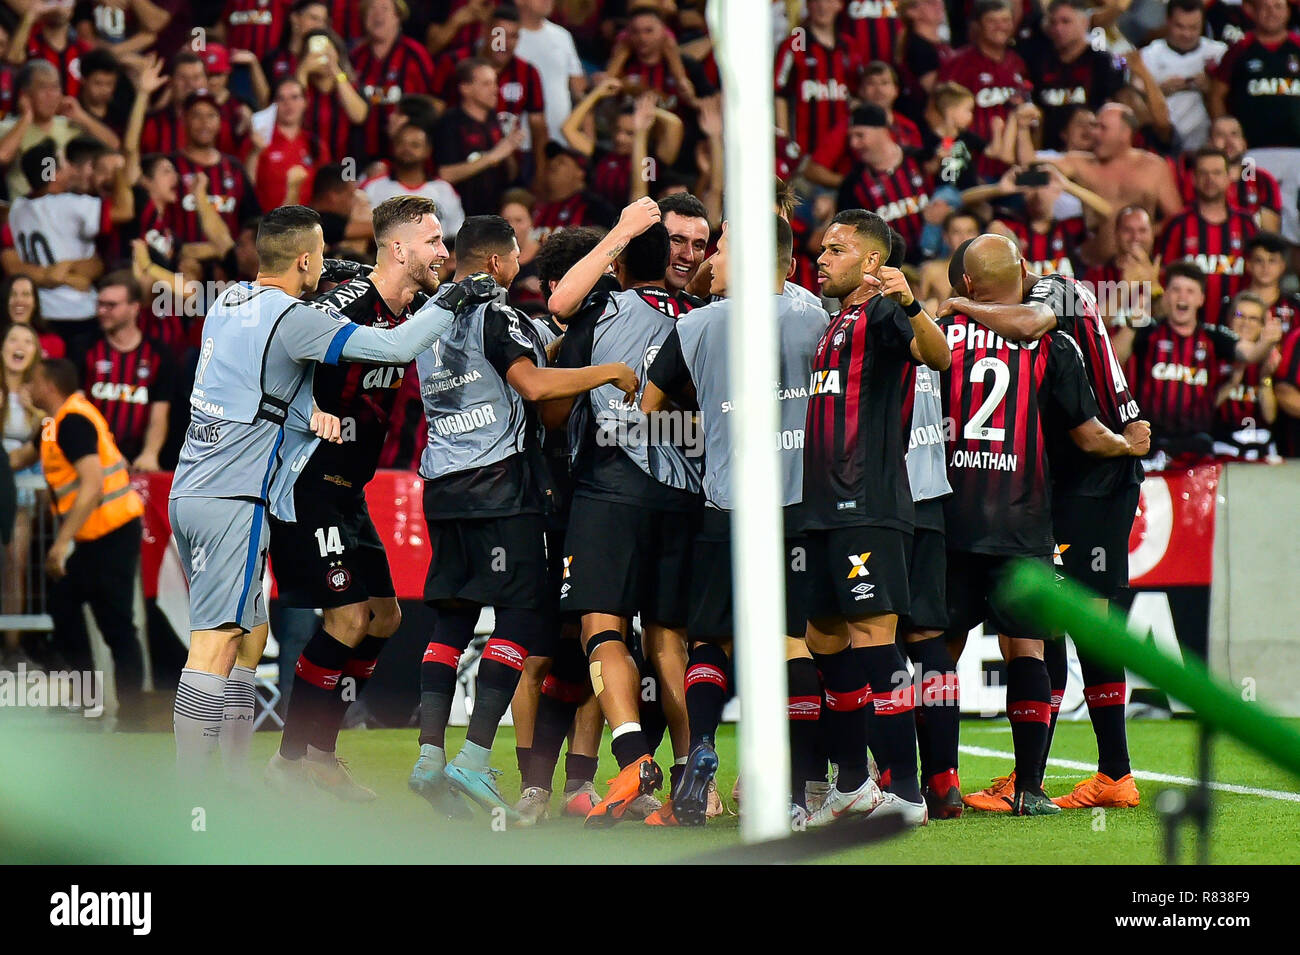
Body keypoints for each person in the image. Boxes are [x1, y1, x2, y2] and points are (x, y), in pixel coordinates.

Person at [167, 204, 497, 782]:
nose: (444, 252)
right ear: (304, 259)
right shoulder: (304, 317)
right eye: (434, 240)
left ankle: (248, 777)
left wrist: (304, 410)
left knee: (265, 637)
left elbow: (263, 375)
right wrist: (454, 298)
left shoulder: (228, 302)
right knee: (220, 644)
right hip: (250, 491)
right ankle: (203, 794)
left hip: (197, 484)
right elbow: (391, 350)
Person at [407, 214, 638, 819]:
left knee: (452, 619)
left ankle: (430, 755)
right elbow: (534, 387)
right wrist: (608, 371)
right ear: (494, 263)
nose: (520, 268)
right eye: (515, 258)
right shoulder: (495, 310)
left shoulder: (428, 322)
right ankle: (476, 758)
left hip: (442, 489)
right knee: (529, 620)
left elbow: (526, 357)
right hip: (499, 490)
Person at [938, 233, 1148, 814]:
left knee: (1084, 619)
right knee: (1043, 622)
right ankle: (1031, 777)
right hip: (1061, 478)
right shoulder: (1014, 316)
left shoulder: (1054, 290)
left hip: (1098, 474)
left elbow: (1032, 322)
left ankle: (1112, 773)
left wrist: (958, 307)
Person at [641, 215, 830, 827]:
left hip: (727, 504)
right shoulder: (812, 316)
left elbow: (650, 406)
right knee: (790, 642)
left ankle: (699, 749)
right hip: (798, 503)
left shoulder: (692, 324)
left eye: (719, 249)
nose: (707, 258)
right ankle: (801, 791)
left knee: (711, 642)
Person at [264, 196, 457, 798]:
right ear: (399, 249)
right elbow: (282, 341)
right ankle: (298, 758)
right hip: (310, 482)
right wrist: (306, 408)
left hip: (353, 491)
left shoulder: (415, 310)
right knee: (346, 616)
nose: (443, 253)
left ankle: (315, 751)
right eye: (433, 241)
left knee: (386, 617)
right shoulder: (343, 302)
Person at [545, 197, 706, 826]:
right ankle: (696, 781)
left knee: (601, 628)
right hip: (687, 493)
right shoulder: (707, 318)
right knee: (670, 642)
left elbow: (555, 409)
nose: (689, 256)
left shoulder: (602, 307)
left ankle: (634, 755)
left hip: (612, 487)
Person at [800, 208, 951, 827]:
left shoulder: (887, 312)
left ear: (870, 260)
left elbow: (937, 358)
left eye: (835, 250)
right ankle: (856, 782)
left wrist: (912, 303)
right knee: (823, 639)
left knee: (873, 639)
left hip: (869, 504)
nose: (821, 258)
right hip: (824, 510)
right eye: (821, 249)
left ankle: (908, 792)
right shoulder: (839, 319)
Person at [9, 358, 146, 725]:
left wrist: (59, 544)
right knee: (64, 606)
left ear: (48, 385)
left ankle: (132, 718)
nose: (28, 388)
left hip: (112, 535)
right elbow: (19, 459)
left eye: (31, 382)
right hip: (93, 538)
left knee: (115, 625)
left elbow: (92, 484)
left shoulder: (72, 422)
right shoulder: (55, 424)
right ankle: (91, 702)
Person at [1112, 261, 1281, 460]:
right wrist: (1132, 324)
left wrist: (1267, 341)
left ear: (1201, 299)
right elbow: (1114, 358)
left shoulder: (1213, 337)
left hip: (1197, 446)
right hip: (1150, 444)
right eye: (1176, 290)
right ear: (1166, 295)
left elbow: (1249, 354)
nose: (1182, 296)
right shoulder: (1149, 331)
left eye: (1190, 291)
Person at [0, 139, 108, 359]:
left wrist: (53, 274)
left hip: (42, 312)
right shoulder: (73, 204)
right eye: (63, 164)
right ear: (52, 174)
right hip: (79, 310)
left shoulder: (17, 208)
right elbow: (123, 212)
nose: (69, 168)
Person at [1045, 102, 1185, 266]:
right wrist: (1021, 127)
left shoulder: (1154, 167)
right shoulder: (1080, 163)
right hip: (1091, 266)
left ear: (1124, 133)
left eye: (1102, 128)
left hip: (1139, 266)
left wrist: (1142, 233)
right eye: (1095, 126)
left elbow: (1175, 218)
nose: (1094, 133)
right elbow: (1027, 162)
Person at [1209, 0, 1300, 241]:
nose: (1272, 13)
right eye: (1266, 7)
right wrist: (1227, 135)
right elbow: (1217, 94)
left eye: (1278, 7)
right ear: (1254, 11)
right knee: (1251, 210)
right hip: (1251, 153)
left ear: (1289, 12)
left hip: (1297, 151)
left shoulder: (1298, 47)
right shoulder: (1240, 50)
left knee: (1296, 219)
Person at [81, 271, 175, 471]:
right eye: (100, 304)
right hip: (92, 458)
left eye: (111, 305)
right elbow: (79, 411)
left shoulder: (159, 355)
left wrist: (150, 453)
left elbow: (159, 415)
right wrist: (107, 452)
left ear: (134, 308)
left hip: (137, 462)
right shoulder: (83, 348)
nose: (102, 311)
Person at [1158, 147, 1257, 328]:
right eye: (1203, 173)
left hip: (1237, 328)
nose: (1210, 179)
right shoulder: (1178, 224)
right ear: (1193, 179)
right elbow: (1165, 278)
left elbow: (1256, 277)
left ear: (1229, 178)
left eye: (1217, 173)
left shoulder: (1247, 224)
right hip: (1187, 330)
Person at [835, 104, 938, 263]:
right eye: (851, 137)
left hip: (938, 259)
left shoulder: (921, 160)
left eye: (860, 135)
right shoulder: (852, 186)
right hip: (891, 270)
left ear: (883, 131)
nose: (853, 144)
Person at [433, 59, 525, 217]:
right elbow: (445, 174)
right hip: (462, 216)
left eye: (495, 83)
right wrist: (493, 156)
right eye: (486, 84)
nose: (495, 90)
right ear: (465, 88)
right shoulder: (450, 123)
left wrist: (509, 150)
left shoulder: (495, 121)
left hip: (496, 214)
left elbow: (511, 175)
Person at [0, 324, 43, 668]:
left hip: (23, 488)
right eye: (13, 338)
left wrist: (38, 412)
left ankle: (12, 648)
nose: (19, 345)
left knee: (15, 565)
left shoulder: (39, 393)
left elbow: (51, 436)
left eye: (28, 341)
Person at [1028, 0, 1125, 151]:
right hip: (1048, 151)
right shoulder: (1038, 62)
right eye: (1053, 23)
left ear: (1084, 23)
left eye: (1066, 22)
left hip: (1092, 153)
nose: (1058, 28)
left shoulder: (1103, 62)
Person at [349, 0, 434, 163]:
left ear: (398, 16)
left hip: (404, 155)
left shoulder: (415, 55)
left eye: (384, 8)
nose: (377, 14)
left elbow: (434, 103)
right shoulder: (355, 57)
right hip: (360, 154)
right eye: (371, 9)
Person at [774, 0, 861, 156]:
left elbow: (857, 94)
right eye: (816, 1)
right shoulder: (794, 45)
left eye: (829, 1)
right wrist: (784, 139)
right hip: (803, 151)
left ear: (840, 5)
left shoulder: (850, 46)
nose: (822, 6)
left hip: (843, 151)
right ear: (807, 5)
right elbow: (779, 93)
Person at [1139, 0, 1226, 152]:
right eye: (1180, 26)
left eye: (1194, 27)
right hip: (1162, 144)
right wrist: (1159, 91)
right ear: (1168, 22)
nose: (1187, 34)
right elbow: (1136, 102)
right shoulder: (1149, 55)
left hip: (1207, 145)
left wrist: (1211, 88)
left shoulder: (1219, 53)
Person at [360, 122, 465, 241]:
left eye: (415, 145)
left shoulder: (445, 189)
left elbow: (456, 233)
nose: (406, 149)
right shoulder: (373, 187)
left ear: (428, 150)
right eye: (401, 143)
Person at [1214, 292, 1280, 460]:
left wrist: (1265, 379)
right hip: (1222, 446)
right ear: (1229, 320)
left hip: (1261, 448)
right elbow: (1205, 411)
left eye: (1253, 318)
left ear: (1262, 326)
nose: (1246, 323)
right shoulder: (1214, 353)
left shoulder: (1269, 359)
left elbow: (1270, 417)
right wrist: (1231, 383)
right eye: (1239, 316)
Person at [514, 0, 586, 146]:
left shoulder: (563, 36)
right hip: (517, 142)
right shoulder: (505, 36)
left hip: (561, 140)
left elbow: (579, 88)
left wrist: (587, 133)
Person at [657, 192, 711, 308]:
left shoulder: (700, 314)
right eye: (677, 240)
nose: (688, 256)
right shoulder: (614, 299)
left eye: (698, 246)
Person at [1, 274, 64, 359]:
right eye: (12, 294)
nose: (19, 300)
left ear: (35, 303)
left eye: (26, 294)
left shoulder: (53, 343)